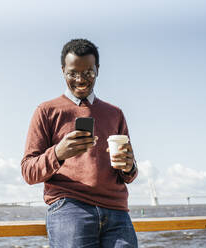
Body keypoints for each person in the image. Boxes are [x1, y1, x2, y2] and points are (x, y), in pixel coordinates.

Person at [21, 39, 138, 247]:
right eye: (72, 73)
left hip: (117, 211)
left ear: (98, 70)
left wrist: (129, 166)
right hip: (70, 207)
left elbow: (129, 174)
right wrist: (58, 153)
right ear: (63, 70)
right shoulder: (46, 111)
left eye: (88, 73)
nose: (80, 79)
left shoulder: (115, 114)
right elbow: (28, 172)